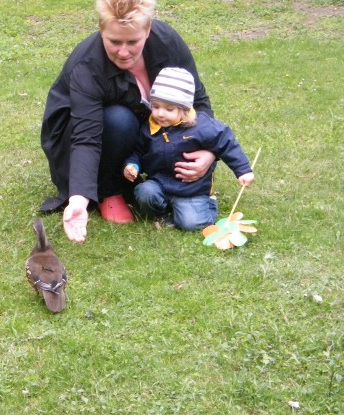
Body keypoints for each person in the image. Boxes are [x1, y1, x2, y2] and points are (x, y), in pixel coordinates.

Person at [40, 0, 217, 243]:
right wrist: (79, 199)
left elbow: (196, 102)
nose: (123, 52)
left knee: (153, 120)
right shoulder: (87, 66)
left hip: (137, 129)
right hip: (75, 139)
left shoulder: (168, 43)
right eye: (114, 41)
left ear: (148, 30)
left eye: (133, 42)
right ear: (102, 30)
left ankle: (149, 173)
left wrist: (207, 151)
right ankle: (109, 190)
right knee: (119, 119)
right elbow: (86, 138)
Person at [123, 67, 254, 230]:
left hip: (191, 189)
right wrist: (132, 165)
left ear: (184, 110)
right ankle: (163, 213)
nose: (160, 114)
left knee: (191, 223)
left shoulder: (201, 126)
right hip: (159, 184)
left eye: (169, 109)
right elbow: (138, 151)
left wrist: (243, 170)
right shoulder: (149, 128)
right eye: (156, 106)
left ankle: (207, 204)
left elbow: (225, 141)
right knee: (144, 192)